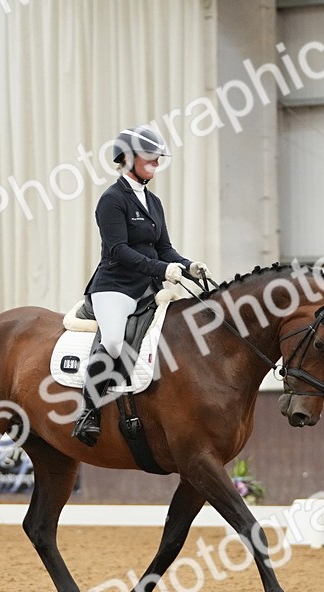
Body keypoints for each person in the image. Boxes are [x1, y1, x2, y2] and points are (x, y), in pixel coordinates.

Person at [72, 125, 209, 446]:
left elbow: (164, 248)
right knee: (116, 342)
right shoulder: (111, 200)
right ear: (128, 158)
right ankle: (87, 413)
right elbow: (119, 250)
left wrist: (188, 266)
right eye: (150, 159)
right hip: (114, 287)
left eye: (158, 159)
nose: (156, 164)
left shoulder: (154, 202)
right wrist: (164, 269)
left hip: (146, 288)